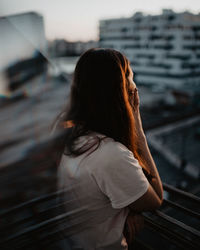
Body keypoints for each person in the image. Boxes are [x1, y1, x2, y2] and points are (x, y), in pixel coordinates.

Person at [55, 48, 163, 250]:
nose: (134, 84)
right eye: (130, 76)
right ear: (121, 89)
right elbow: (155, 199)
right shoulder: (110, 154)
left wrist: (127, 210)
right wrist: (138, 131)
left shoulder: (78, 138)